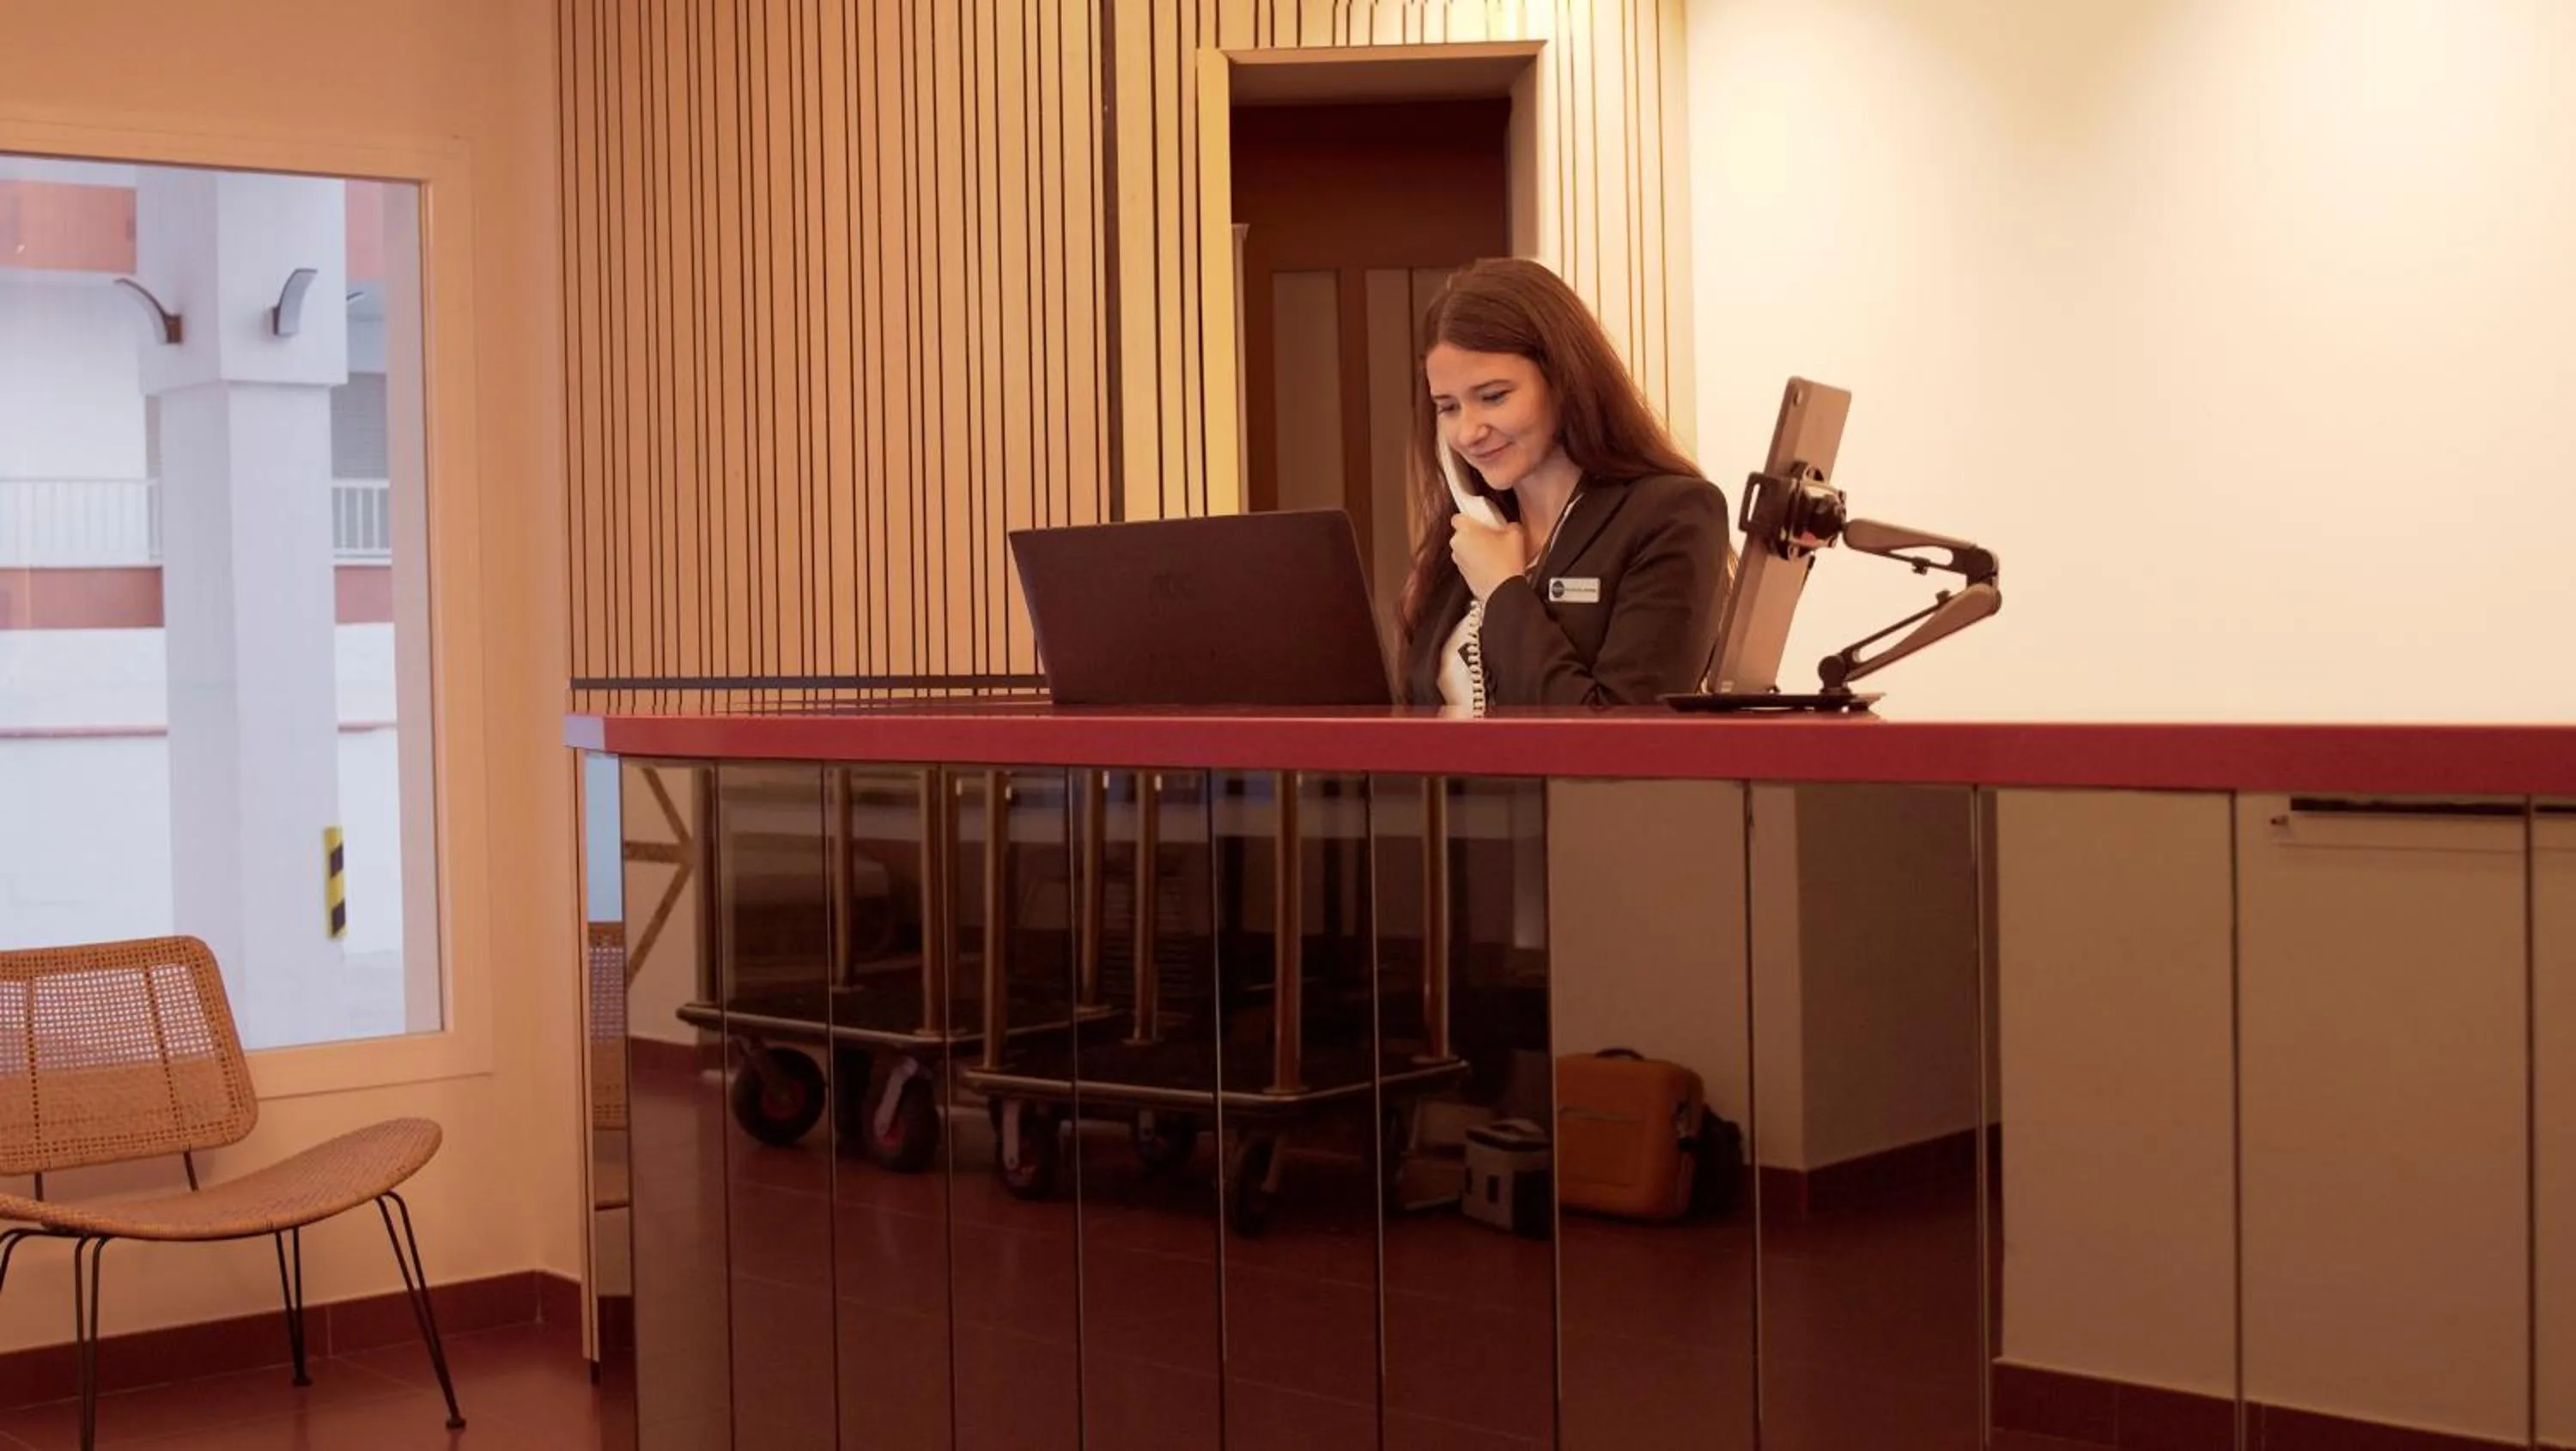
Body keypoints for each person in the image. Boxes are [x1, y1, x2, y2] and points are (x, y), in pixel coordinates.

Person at [1396, 258, 1735, 711]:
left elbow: (1616, 736)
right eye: (1448, 407)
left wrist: (1502, 590)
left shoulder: (1672, 516)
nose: (1468, 432)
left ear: (1564, 379)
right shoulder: (1463, 540)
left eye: (1493, 397)